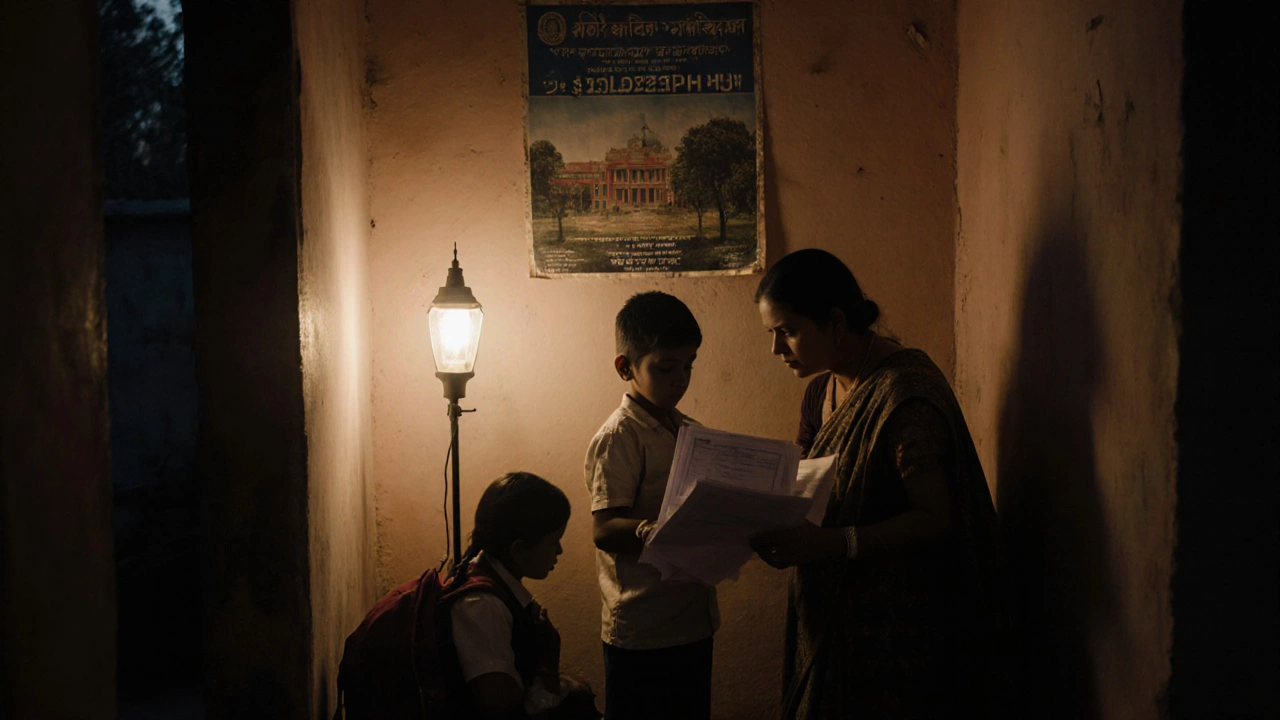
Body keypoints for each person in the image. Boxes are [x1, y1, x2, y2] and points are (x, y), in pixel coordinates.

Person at [749, 249, 1012, 719]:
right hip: (829, 611)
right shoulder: (820, 391)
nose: (776, 350)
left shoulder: (904, 396)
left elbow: (936, 519)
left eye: (786, 331)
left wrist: (831, 543)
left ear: (834, 320)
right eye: (772, 334)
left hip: (897, 631)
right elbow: (807, 487)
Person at [583, 291, 719, 720]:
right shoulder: (620, 436)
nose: (680, 379)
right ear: (626, 367)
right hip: (642, 629)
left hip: (692, 619)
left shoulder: (689, 431)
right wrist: (654, 528)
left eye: (688, 366)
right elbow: (604, 529)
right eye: (665, 368)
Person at [446, 471, 601, 719]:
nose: (560, 551)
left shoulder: (496, 586)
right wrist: (549, 665)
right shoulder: (482, 606)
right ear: (519, 550)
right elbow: (503, 708)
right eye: (553, 542)